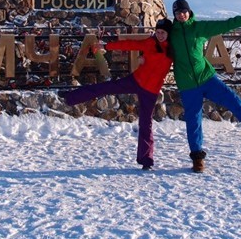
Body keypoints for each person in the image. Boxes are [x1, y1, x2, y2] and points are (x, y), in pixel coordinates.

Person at [169, 0, 241, 173]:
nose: (181, 15)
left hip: (206, 77)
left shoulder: (198, 28)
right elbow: (156, 40)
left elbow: (223, 25)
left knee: (232, 98)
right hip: (187, 84)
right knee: (193, 120)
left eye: (184, 11)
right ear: (174, 15)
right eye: (178, 13)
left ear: (189, 11)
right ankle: (197, 159)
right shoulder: (171, 32)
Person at [60, 19, 174, 170]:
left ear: (169, 33)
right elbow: (129, 44)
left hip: (151, 91)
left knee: (146, 124)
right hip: (135, 80)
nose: (159, 35)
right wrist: (106, 46)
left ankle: (146, 160)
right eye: (158, 32)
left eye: (163, 33)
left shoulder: (173, 49)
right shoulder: (150, 43)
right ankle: (70, 97)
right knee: (105, 87)